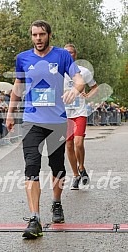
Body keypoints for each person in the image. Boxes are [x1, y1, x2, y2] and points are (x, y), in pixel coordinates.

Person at [6, 20, 85, 239]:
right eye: (34, 35)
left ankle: (57, 203)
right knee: (31, 165)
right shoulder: (23, 58)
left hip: (57, 122)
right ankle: (34, 218)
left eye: (42, 34)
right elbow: (18, 87)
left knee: (57, 166)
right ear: (31, 36)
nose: (38, 39)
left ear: (49, 35)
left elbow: (79, 80)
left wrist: (76, 90)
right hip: (32, 121)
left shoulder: (62, 56)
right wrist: (11, 113)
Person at [64, 43, 98, 189]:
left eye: (71, 53)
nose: (68, 55)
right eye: (66, 53)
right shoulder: (58, 71)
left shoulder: (83, 71)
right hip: (65, 113)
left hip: (79, 112)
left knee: (78, 143)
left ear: (75, 55)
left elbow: (95, 87)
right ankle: (76, 175)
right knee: (69, 145)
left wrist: (89, 95)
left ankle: (82, 167)